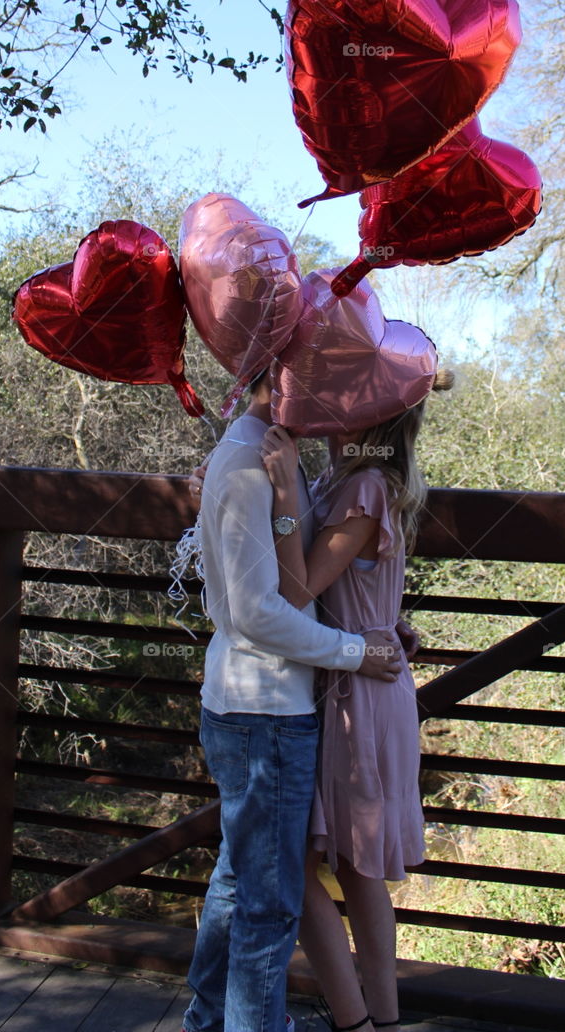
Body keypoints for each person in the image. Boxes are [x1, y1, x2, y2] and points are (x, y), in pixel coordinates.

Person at [181, 369, 404, 1032]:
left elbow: (280, 577)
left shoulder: (255, 451)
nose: (335, 404)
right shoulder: (259, 462)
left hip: (248, 700)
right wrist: (356, 651)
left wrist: (382, 626)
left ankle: (207, 1022)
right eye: (325, 386)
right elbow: (264, 610)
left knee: (236, 884)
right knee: (269, 904)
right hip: (267, 709)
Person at [259, 373, 453, 1032]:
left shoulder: (363, 487)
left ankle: (355, 1020)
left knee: (318, 863)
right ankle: (378, 1022)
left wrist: (283, 493)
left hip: (358, 697)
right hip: (365, 682)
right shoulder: (346, 483)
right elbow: (355, 591)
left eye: (343, 395)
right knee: (350, 866)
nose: (327, 400)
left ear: (368, 416)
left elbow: (295, 592)